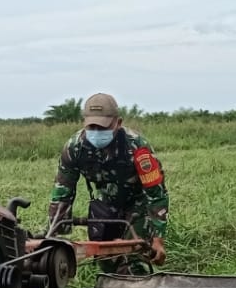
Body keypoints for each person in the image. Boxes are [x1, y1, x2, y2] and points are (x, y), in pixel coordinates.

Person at [47, 92, 168, 275]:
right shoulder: (74, 148)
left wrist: (158, 239)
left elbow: (156, 193)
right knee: (106, 260)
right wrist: (55, 234)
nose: (97, 132)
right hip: (105, 204)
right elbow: (63, 191)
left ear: (118, 123)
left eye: (102, 127)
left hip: (137, 203)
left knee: (132, 258)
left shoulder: (137, 147)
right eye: (92, 126)